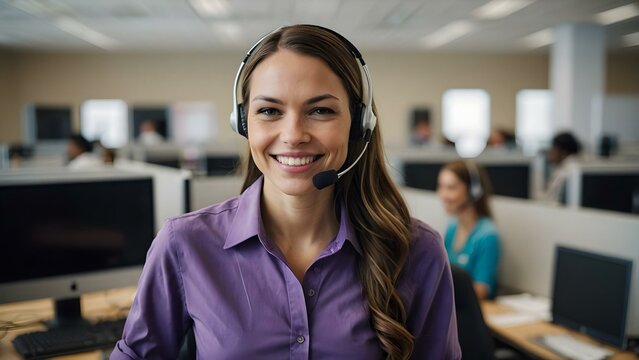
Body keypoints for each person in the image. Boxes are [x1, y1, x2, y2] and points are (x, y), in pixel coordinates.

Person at [111, 25, 460, 359]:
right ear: (243, 123)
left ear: (359, 124)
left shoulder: (416, 251)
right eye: (269, 111)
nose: (293, 135)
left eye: (320, 110)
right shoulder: (185, 244)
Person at [437, 160, 501, 300]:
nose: (443, 195)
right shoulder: (453, 226)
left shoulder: (487, 235)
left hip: (469, 310)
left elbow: (480, 291)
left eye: (451, 188)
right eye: (441, 187)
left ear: (473, 190)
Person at [540, 132, 582, 204]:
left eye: (553, 148)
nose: (550, 151)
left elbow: (552, 201)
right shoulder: (567, 167)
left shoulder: (567, 172)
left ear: (563, 151)